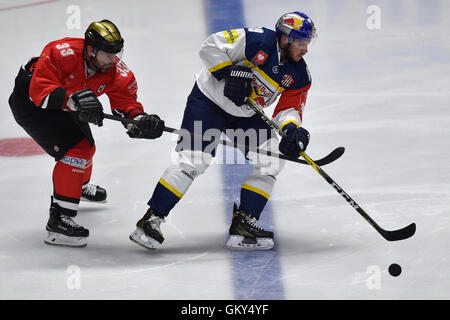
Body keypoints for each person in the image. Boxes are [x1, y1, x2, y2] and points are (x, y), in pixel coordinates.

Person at [129, 12, 315, 251]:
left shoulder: (299, 74)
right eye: (301, 42)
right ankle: (151, 220)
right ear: (285, 38)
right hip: (208, 102)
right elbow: (209, 47)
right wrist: (228, 73)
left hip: (246, 114)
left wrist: (292, 130)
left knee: (271, 162)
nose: (305, 49)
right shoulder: (256, 40)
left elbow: (289, 108)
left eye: (307, 43)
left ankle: (244, 225)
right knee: (193, 161)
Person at [8, 20, 165, 247]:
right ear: (90, 50)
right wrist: (74, 100)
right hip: (32, 105)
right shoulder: (60, 52)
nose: (113, 60)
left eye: (116, 53)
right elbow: (38, 93)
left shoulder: (114, 71)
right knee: (76, 151)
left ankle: (75, 186)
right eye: (107, 54)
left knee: (87, 148)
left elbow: (126, 104)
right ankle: (58, 222)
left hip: (69, 104)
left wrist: (140, 122)